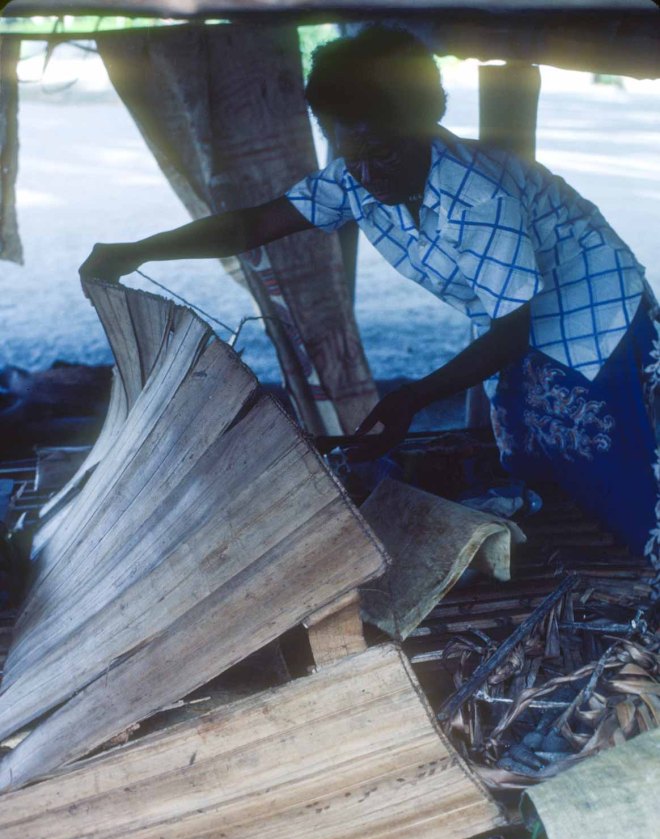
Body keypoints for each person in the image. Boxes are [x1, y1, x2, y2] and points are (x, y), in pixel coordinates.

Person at [80, 27, 659, 564]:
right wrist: (139, 250)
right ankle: (568, 566)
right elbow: (250, 226)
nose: (369, 176)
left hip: (597, 314)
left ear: (424, 123)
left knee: (612, 464)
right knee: (534, 456)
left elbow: (510, 333)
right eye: (352, 156)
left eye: (384, 154)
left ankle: (638, 577)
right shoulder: (355, 176)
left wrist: (412, 398)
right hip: (515, 316)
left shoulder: (480, 196)